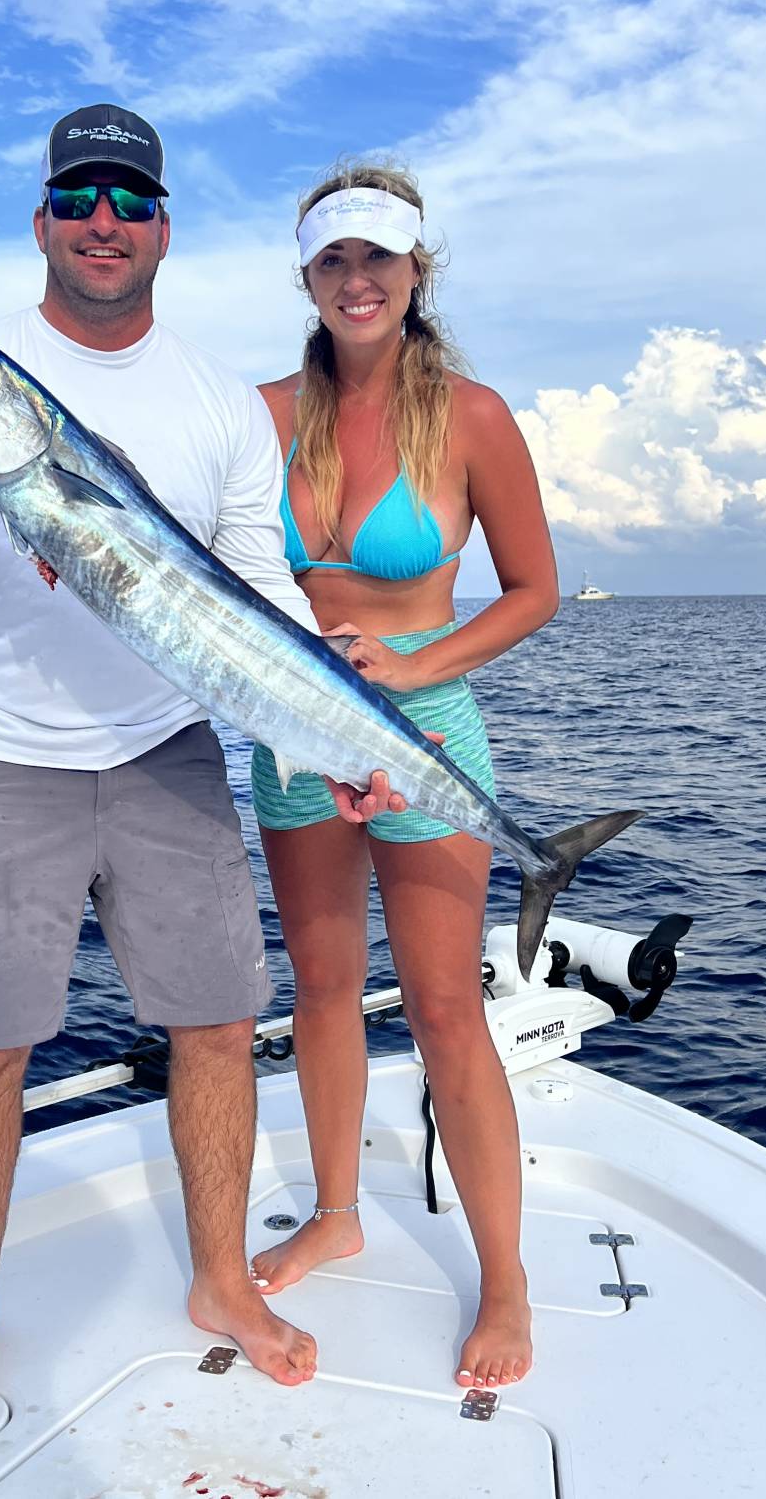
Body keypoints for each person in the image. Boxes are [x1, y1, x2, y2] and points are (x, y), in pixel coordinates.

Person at [0, 103, 341, 1430]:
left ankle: (224, 1283)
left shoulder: (220, 402)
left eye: (129, 200)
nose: (104, 223)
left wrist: (337, 721)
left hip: (164, 747)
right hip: (0, 756)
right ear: (42, 224)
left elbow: (253, 587)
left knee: (223, 1027)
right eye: (79, 201)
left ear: (165, 228)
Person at [247, 162, 560, 1393]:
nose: (358, 281)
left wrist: (417, 657)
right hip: (293, 739)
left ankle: (507, 1277)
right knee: (321, 991)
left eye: (380, 258)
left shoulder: (472, 416)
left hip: (430, 740)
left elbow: (535, 589)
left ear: (418, 271)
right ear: (307, 277)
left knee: (444, 1009)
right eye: (334, 261)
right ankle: (336, 1212)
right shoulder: (263, 412)